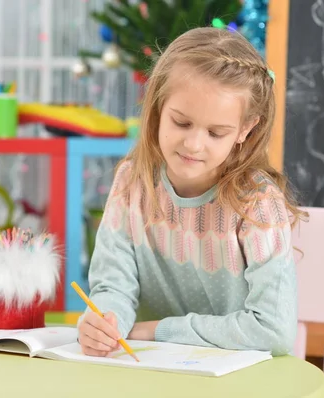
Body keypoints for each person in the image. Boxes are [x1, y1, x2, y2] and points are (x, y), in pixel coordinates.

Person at [77, 27, 308, 357]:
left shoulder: (258, 204)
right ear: (158, 108)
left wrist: (158, 330)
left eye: (216, 133)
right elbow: (113, 286)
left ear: (246, 129)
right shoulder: (133, 181)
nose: (194, 144)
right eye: (181, 123)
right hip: (148, 369)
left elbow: (274, 330)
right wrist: (106, 322)